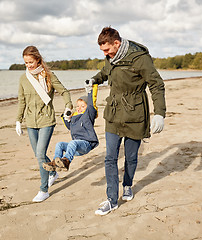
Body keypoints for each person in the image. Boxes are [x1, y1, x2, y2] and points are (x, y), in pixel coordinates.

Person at [85, 27, 166, 216]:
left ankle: (128, 184)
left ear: (117, 43)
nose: (105, 55)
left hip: (135, 114)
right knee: (110, 157)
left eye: (107, 50)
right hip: (113, 113)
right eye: (102, 52)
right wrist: (94, 79)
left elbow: (156, 84)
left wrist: (160, 113)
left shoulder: (140, 58)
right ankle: (111, 200)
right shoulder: (110, 58)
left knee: (131, 157)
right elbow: (105, 72)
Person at [16, 46, 73, 202]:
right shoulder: (23, 79)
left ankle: (44, 190)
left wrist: (68, 106)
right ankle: (53, 172)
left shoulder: (48, 76)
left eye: (31, 62)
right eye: (26, 63)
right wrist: (18, 120)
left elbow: (65, 92)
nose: (28, 65)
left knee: (40, 154)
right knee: (38, 155)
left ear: (38, 60)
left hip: (46, 120)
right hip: (30, 122)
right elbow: (22, 101)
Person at [42, 84, 99, 174]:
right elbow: (70, 127)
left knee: (73, 142)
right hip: (75, 148)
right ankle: (54, 164)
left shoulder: (88, 115)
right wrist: (66, 118)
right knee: (59, 144)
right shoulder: (75, 118)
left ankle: (66, 161)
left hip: (86, 145)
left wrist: (90, 91)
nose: (79, 108)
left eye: (82, 106)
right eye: (78, 106)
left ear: (87, 108)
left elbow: (92, 104)